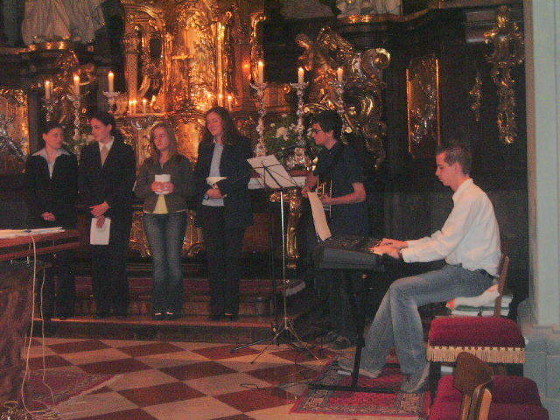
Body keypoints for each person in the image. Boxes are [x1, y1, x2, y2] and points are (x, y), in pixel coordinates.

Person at [338, 144, 501, 393]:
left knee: (401, 291)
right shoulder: (468, 196)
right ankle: (370, 362)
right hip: (464, 272)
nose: (437, 172)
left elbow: (443, 246)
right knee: (397, 291)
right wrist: (405, 244)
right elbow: (441, 238)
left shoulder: (471, 199)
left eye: (441, 167)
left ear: (456, 167)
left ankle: (416, 368)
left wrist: (401, 254)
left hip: (472, 278)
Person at [302, 110, 368, 349]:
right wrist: (309, 188)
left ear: (330, 132)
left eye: (317, 130)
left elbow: (360, 195)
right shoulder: (323, 155)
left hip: (349, 222)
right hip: (331, 223)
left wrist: (333, 201)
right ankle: (336, 327)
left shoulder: (347, 154)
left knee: (347, 279)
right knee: (331, 277)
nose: (313, 135)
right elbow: (315, 181)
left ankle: (350, 333)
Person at [194, 106, 253, 321]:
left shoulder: (241, 144)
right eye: (208, 121)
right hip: (210, 208)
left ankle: (231, 306)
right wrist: (207, 190)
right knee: (214, 258)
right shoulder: (205, 146)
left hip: (232, 207)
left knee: (232, 258)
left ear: (225, 122)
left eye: (215, 120)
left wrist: (223, 190)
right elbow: (198, 175)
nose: (211, 125)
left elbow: (243, 174)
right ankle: (217, 306)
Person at [79, 111, 135, 318]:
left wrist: (107, 205)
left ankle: (120, 305)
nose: (94, 131)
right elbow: (83, 182)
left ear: (109, 127)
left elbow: (127, 182)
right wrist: (96, 209)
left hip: (118, 212)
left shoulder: (124, 151)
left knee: (117, 258)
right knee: (99, 260)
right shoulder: (88, 152)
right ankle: (102, 305)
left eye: (97, 127)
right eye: (92, 128)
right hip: (95, 214)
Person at [134, 122, 194, 320]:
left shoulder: (181, 162)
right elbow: (138, 190)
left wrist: (174, 188)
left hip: (175, 213)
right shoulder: (148, 164)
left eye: (162, 136)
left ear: (170, 138)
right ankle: (159, 305)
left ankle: (174, 305)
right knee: (159, 261)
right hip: (152, 214)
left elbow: (191, 189)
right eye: (155, 137)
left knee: (173, 260)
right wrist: (151, 187)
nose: (158, 140)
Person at [25, 121, 78, 320]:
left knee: (65, 263)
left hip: (63, 217)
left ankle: (65, 308)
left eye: (61, 135)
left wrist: (57, 211)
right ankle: (45, 308)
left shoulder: (69, 159)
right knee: (44, 264)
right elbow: (29, 190)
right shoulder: (34, 160)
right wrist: (42, 212)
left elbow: (71, 190)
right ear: (45, 136)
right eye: (55, 135)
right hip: (40, 220)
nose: (59, 138)